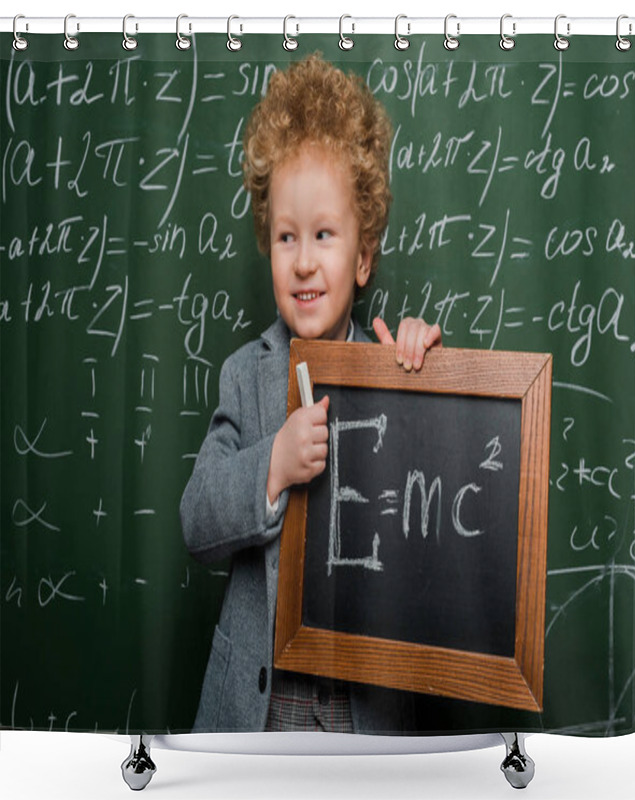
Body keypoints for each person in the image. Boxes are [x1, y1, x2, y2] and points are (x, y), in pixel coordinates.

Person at [180, 54, 441, 734]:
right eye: (285, 237)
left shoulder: (394, 370)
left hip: (366, 721)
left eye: (324, 236)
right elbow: (197, 521)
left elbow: (440, 539)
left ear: (362, 257)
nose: (302, 261)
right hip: (259, 715)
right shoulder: (246, 374)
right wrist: (274, 463)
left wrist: (423, 387)